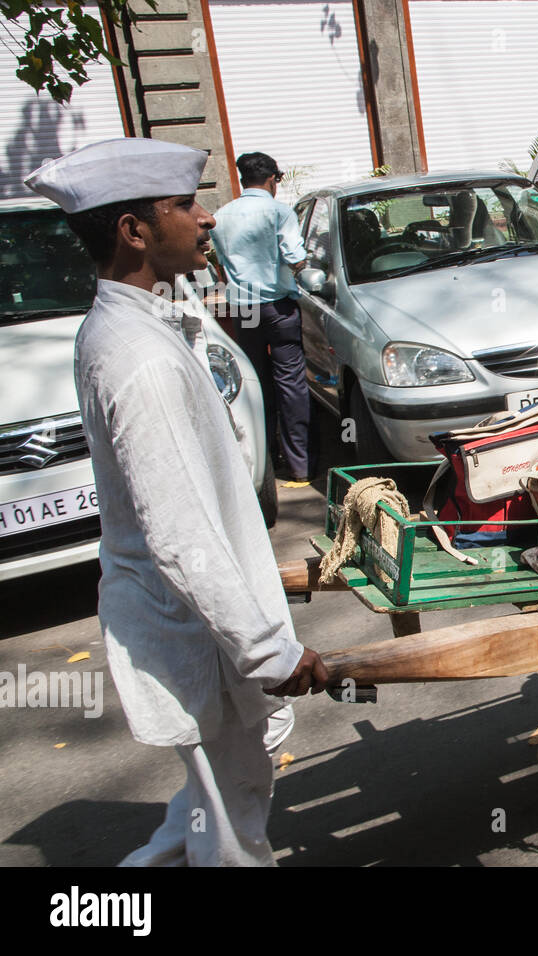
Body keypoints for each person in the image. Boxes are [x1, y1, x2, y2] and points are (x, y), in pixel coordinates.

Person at [26, 138, 329, 866]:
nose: (207, 220)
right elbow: (180, 532)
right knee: (231, 829)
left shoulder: (146, 320)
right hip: (195, 632)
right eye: (185, 206)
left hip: (199, 626)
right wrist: (267, 651)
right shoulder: (138, 358)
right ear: (134, 232)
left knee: (211, 806)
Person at [210, 152, 312, 484]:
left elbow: (221, 265)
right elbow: (294, 256)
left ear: (243, 180)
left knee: (256, 383)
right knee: (292, 384)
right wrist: (302, 267)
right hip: (278, 308)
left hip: (245, 312)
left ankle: (266, 463)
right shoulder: (279, 212)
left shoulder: (221, 216)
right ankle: (301, 467)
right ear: (272, 180)